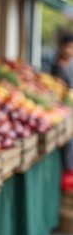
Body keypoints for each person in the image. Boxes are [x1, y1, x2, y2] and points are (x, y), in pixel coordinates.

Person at [51, 35, 73, 171]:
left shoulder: (69, 66)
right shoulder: (57, 68)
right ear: (61, 47)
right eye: (69, 47)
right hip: (60, 111)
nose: (70, 51)